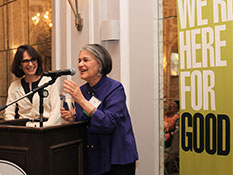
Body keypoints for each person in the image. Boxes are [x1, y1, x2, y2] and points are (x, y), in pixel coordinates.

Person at [60, 43, 138, 175]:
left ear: (100, 64)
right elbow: (86, 119)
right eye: (79, 60)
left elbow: (108, 123)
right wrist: (74, 117)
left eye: (85, 60)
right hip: (94, 157)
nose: (80, 65)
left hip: (117, 158)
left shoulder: (115, 88)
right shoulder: (83, 90)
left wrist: (81, 100)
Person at [4, 45, 61, 127]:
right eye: (26, 61)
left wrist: (44, 127)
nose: (30, 64)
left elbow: (56, 112)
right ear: (19, 65)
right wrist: (16, 128)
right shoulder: (14, 86)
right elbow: (9, 113)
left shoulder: (49, 82)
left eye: (33, 60)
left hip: (46, 129)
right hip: (24, 131)